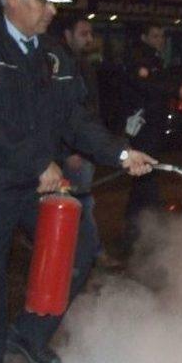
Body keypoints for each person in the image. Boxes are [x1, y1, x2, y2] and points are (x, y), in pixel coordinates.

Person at [0, 0, 156, 363]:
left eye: (56, 2)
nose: (54, 11)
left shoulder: (53, 57)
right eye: (44, 1)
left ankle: (30, 335)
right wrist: (38, 163)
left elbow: (76, 121)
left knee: (81, 249)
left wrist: (121, 154)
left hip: (40, 186)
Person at [61, 16, 120, 268]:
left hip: (84, 145)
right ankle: (89, 254)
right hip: (73, 150)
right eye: (83, 33)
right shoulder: (61, 64)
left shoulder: (84, 64)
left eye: (90, 34)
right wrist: (71, 151)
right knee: (80, 202)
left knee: (80, 201)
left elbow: (90, 109)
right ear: (67, 35)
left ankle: (78, 253)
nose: (89, 39)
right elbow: (62, 113)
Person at [120, 24, 181, 254]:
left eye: (162, 35)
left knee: (143, 181)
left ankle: (136, 231)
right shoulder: (140, 57)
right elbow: (147, 85)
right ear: (144, 36)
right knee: (146, 178)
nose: (160, 39)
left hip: (149, 129)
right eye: (155, 35)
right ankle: (149, 231)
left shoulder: (153, 57)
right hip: (143, 130)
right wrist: (177, 88)